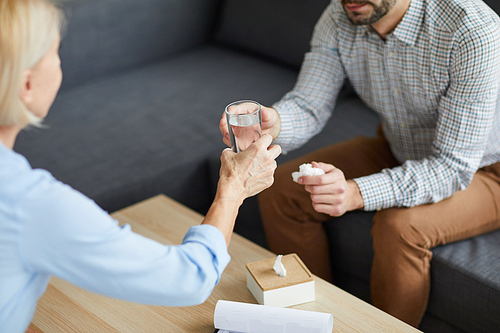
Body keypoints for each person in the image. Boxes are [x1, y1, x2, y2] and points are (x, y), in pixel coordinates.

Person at [0, 0, 281, 332]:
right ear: (27, 85)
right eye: (55, 53)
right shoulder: (30, 205)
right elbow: (189, 279)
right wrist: (232, 188)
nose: (60, 64)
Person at [219, 0, 500, 327]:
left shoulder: (471, 30)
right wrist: (275, 123)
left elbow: (451, 166)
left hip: (484, 168)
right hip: (399, 145)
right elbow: (309, 105)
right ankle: (317, 322)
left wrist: (356, 192)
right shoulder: (342, 13)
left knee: (398, 228)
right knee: (283, 190)